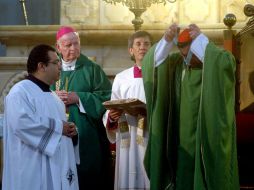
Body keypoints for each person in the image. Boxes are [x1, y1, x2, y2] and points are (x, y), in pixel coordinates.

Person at [142, 24, 239, 190]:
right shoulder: (177, 65)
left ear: (198, 49)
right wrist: (166, 40)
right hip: (180, 143)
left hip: (206, 140)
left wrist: (200, 40)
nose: (184, 57)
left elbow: (226, 65)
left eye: (188, 53)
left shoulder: (216, 60)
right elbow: (153, 64)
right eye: (181, 52)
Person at [2, 44, 79, 190]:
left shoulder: (54, 98)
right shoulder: (20, 92)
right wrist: (59, 127)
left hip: (56, 166)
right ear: (42, 66)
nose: (60, 67)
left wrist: (72, 132)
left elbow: (61, 130)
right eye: (56, 63)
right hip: (31, 167)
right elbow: (21, 124)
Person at [53, 26, 112, 189]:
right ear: (58, 47)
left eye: (76, 44)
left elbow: (107, 97)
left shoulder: (92, 69)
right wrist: (53, 99)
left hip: (86, 137)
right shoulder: (50, 68)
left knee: (86, 178)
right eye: (68, 45)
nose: (73, 48)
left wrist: (79, 98)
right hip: (56, 134)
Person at [103, 30, 152, 190]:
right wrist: (112, 116)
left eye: (146, 44)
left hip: (150, 133)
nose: (142, 47)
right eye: (138, 44)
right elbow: (113, 104)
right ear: (131, 50)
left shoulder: (159, 76)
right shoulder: (121, 78)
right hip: (127, 135)